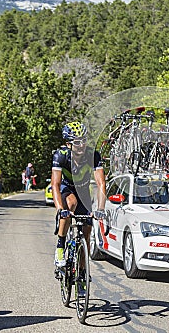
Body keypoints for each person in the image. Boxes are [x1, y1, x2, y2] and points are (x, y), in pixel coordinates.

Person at [52, 122, 106, 295]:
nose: (81, 145)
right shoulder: (60, 156)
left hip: (83, 191)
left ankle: (82, 273)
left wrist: (101, 208)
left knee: (87, 230)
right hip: (66, 189)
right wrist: (60, 208)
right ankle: (60, 247)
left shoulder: (93, 155)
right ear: (68, 144)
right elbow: (55, 184)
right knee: (70, 204)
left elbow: (100, 183)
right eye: (76, 142)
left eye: (83, 140)